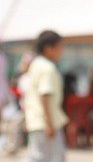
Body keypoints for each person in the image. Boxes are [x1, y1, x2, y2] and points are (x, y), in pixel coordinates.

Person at [24, 30, 68, 162]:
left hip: (37, 120)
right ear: (48, 48)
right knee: (51, 157)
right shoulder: (48, 68)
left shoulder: (36, 64)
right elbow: (45, 96)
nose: (61, 50)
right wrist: (49, 123)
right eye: (59, 47)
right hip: (46, 121)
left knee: (38, 156)